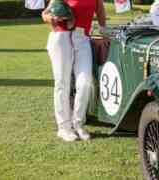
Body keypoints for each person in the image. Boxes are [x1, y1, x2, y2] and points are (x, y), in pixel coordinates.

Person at [42, 0, 107, 141]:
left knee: (85, 83)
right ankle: (64, 127)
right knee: (62, 83)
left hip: (83, 38)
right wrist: (53, 18)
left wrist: (104, 32)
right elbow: (45, 14)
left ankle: (78, 124)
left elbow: (100, 12)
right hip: (61, 37)